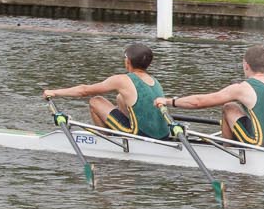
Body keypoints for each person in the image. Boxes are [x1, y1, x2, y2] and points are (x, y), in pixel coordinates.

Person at [157, 46, 264, 150]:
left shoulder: (243, 88)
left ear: (245, 64)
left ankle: (228, 151)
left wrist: (170, 101)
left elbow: (199, 102)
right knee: (238, 108)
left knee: (228, 107)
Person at [43, 42, 174, 140]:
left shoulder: (122, 80)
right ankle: (120, 132)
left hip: (140, 135)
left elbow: (84, 91)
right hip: (163, 135)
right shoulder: (155, 81)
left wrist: (54, 92)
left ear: (128, 61)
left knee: (95, 101)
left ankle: (106, 141)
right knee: (120, 98)